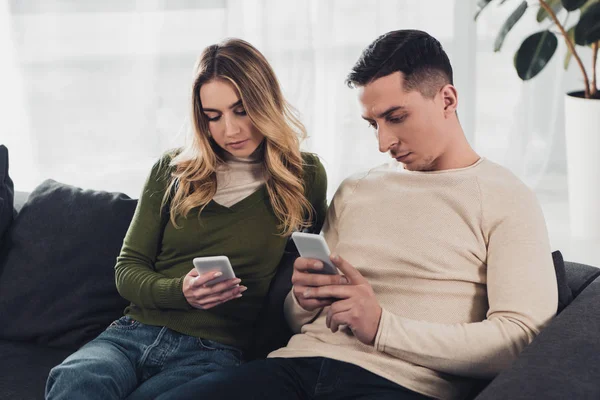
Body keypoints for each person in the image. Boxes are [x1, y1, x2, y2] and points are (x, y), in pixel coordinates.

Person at [157, 29, 558, 400]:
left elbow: (522, 339)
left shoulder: (506, 197)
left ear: (447, 100)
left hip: (398, 384)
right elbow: (300, 321)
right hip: (293, 368)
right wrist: (302, 298)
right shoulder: (356, 189)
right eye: (373, 124)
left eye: (396, 117)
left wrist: (383, 327)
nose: (384, 142)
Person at [45, 38, 327, 400]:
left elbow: (305, 265)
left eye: (241, 110)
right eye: (214, 116)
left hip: (214, 351)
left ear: (265, 101)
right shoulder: (173, 169)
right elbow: (127, 269)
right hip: (131, 334)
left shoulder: (305, 175)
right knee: (77, 381)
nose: (230, 130)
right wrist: (181, 291)